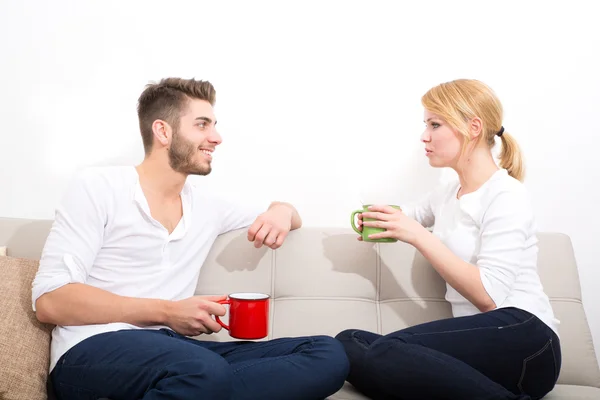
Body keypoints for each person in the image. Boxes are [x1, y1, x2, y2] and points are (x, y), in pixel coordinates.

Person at [33, 77, 349, 400]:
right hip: (93, 350)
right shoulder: (98, 187)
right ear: (163, 132)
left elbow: (286, 213)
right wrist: (168, 312)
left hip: (177, 354)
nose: (216, 137)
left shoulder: (208, 206)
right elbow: (50, 301)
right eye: (202, 125)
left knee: (328, 354)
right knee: (203, 372)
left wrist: (281, 212)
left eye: (214, 125)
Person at [336, 79, 561, 400]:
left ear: (473, 127)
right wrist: (373, 220)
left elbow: (489, 297)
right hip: (479, 355)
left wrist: (416, 236)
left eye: (435, 124)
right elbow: (409, 216)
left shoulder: (506, 194)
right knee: (350, 343)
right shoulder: (446, 194)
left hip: (526, 339)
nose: (424, 136)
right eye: (425, 124)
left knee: (387, 351)